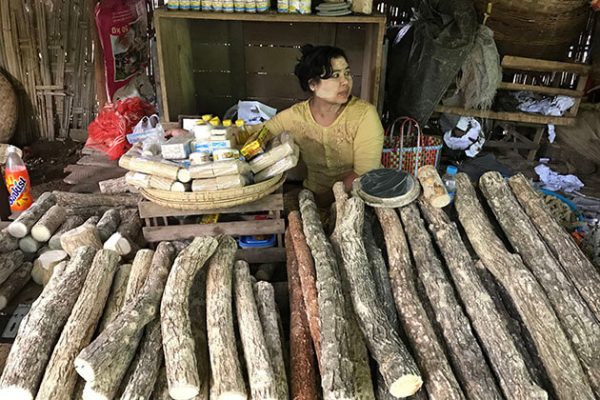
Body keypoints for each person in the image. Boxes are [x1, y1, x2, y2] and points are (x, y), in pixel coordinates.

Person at [265, 44, 384, 207]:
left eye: (347, 73)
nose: (345, 82)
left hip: (358, 199)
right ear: (313, 84)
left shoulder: (364, 115)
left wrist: (320, 202)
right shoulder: (296, 116)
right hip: (312, 195)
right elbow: (262, 132)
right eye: (335, 75)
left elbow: (364, 172)